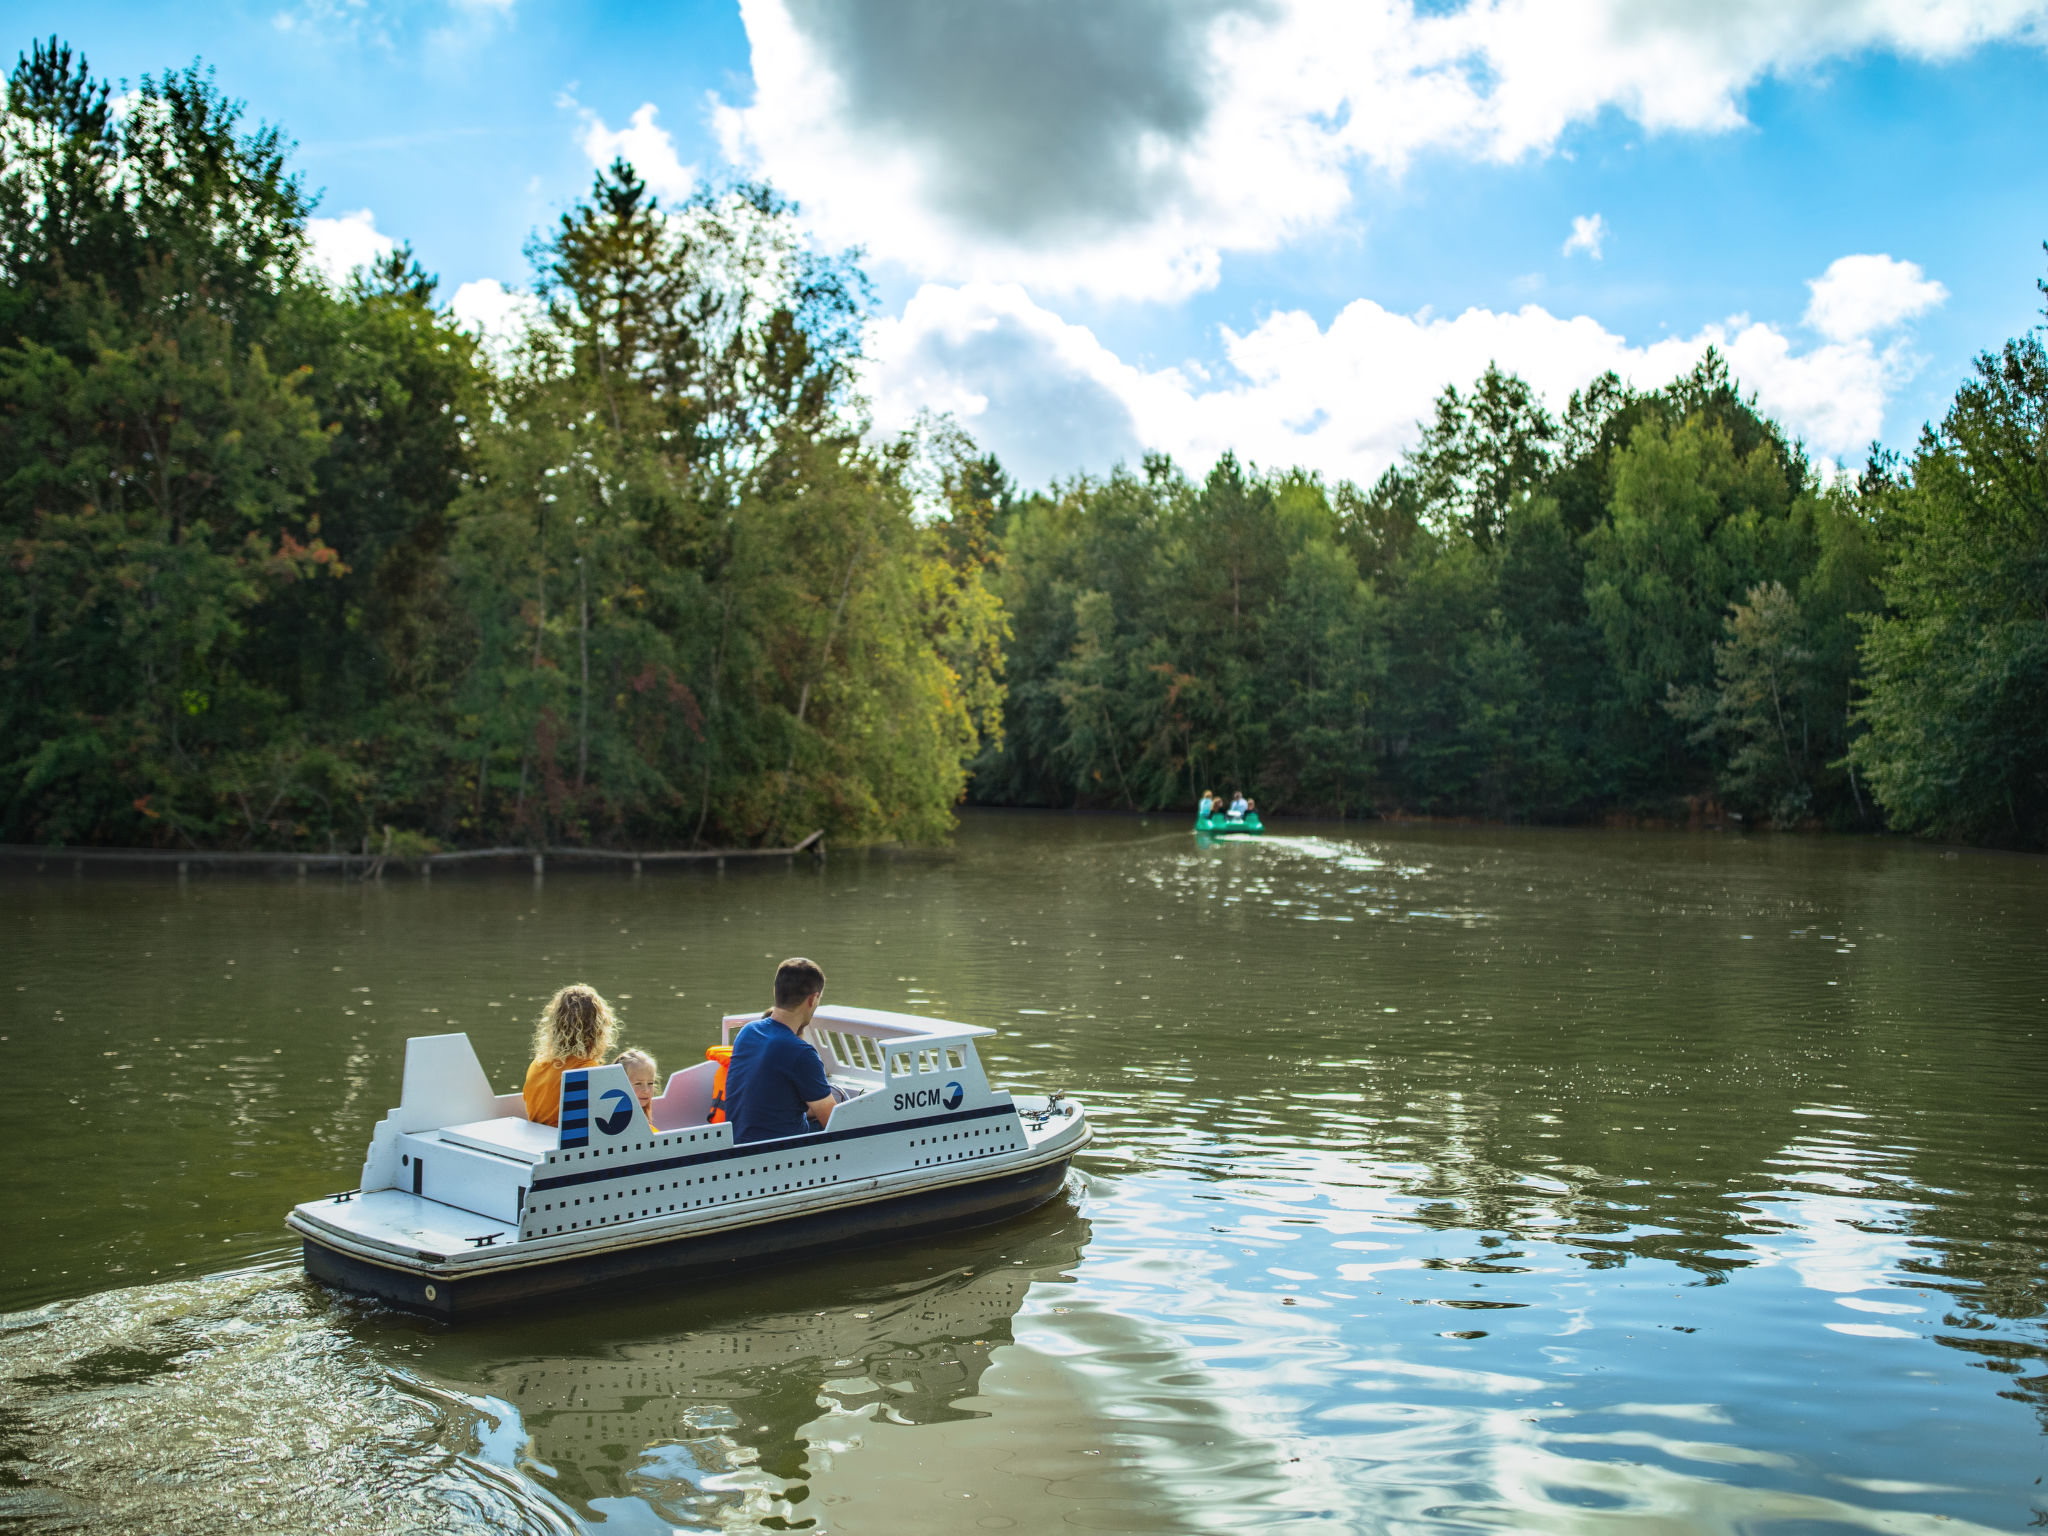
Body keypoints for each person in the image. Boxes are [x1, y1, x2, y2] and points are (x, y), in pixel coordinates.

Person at [724, 957, 836, 1143]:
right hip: (779, 1154)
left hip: (739, 1144)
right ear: (813, 999)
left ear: (775, 990)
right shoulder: (801, 1053)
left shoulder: (747, 1032)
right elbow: (834, 1122)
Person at [523, 983, 618, 1126]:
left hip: (537, 1140)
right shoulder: (590, 1072)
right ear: (598, 1030)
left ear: (554, 1026)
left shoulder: (537, 1065)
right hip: (568, 1146)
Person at [614, 1046, 660, 1129]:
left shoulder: (644, 1118)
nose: (646, 1090)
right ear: (619, 1084)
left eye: (650, 1083)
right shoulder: (617, 1122)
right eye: (638, 1084)